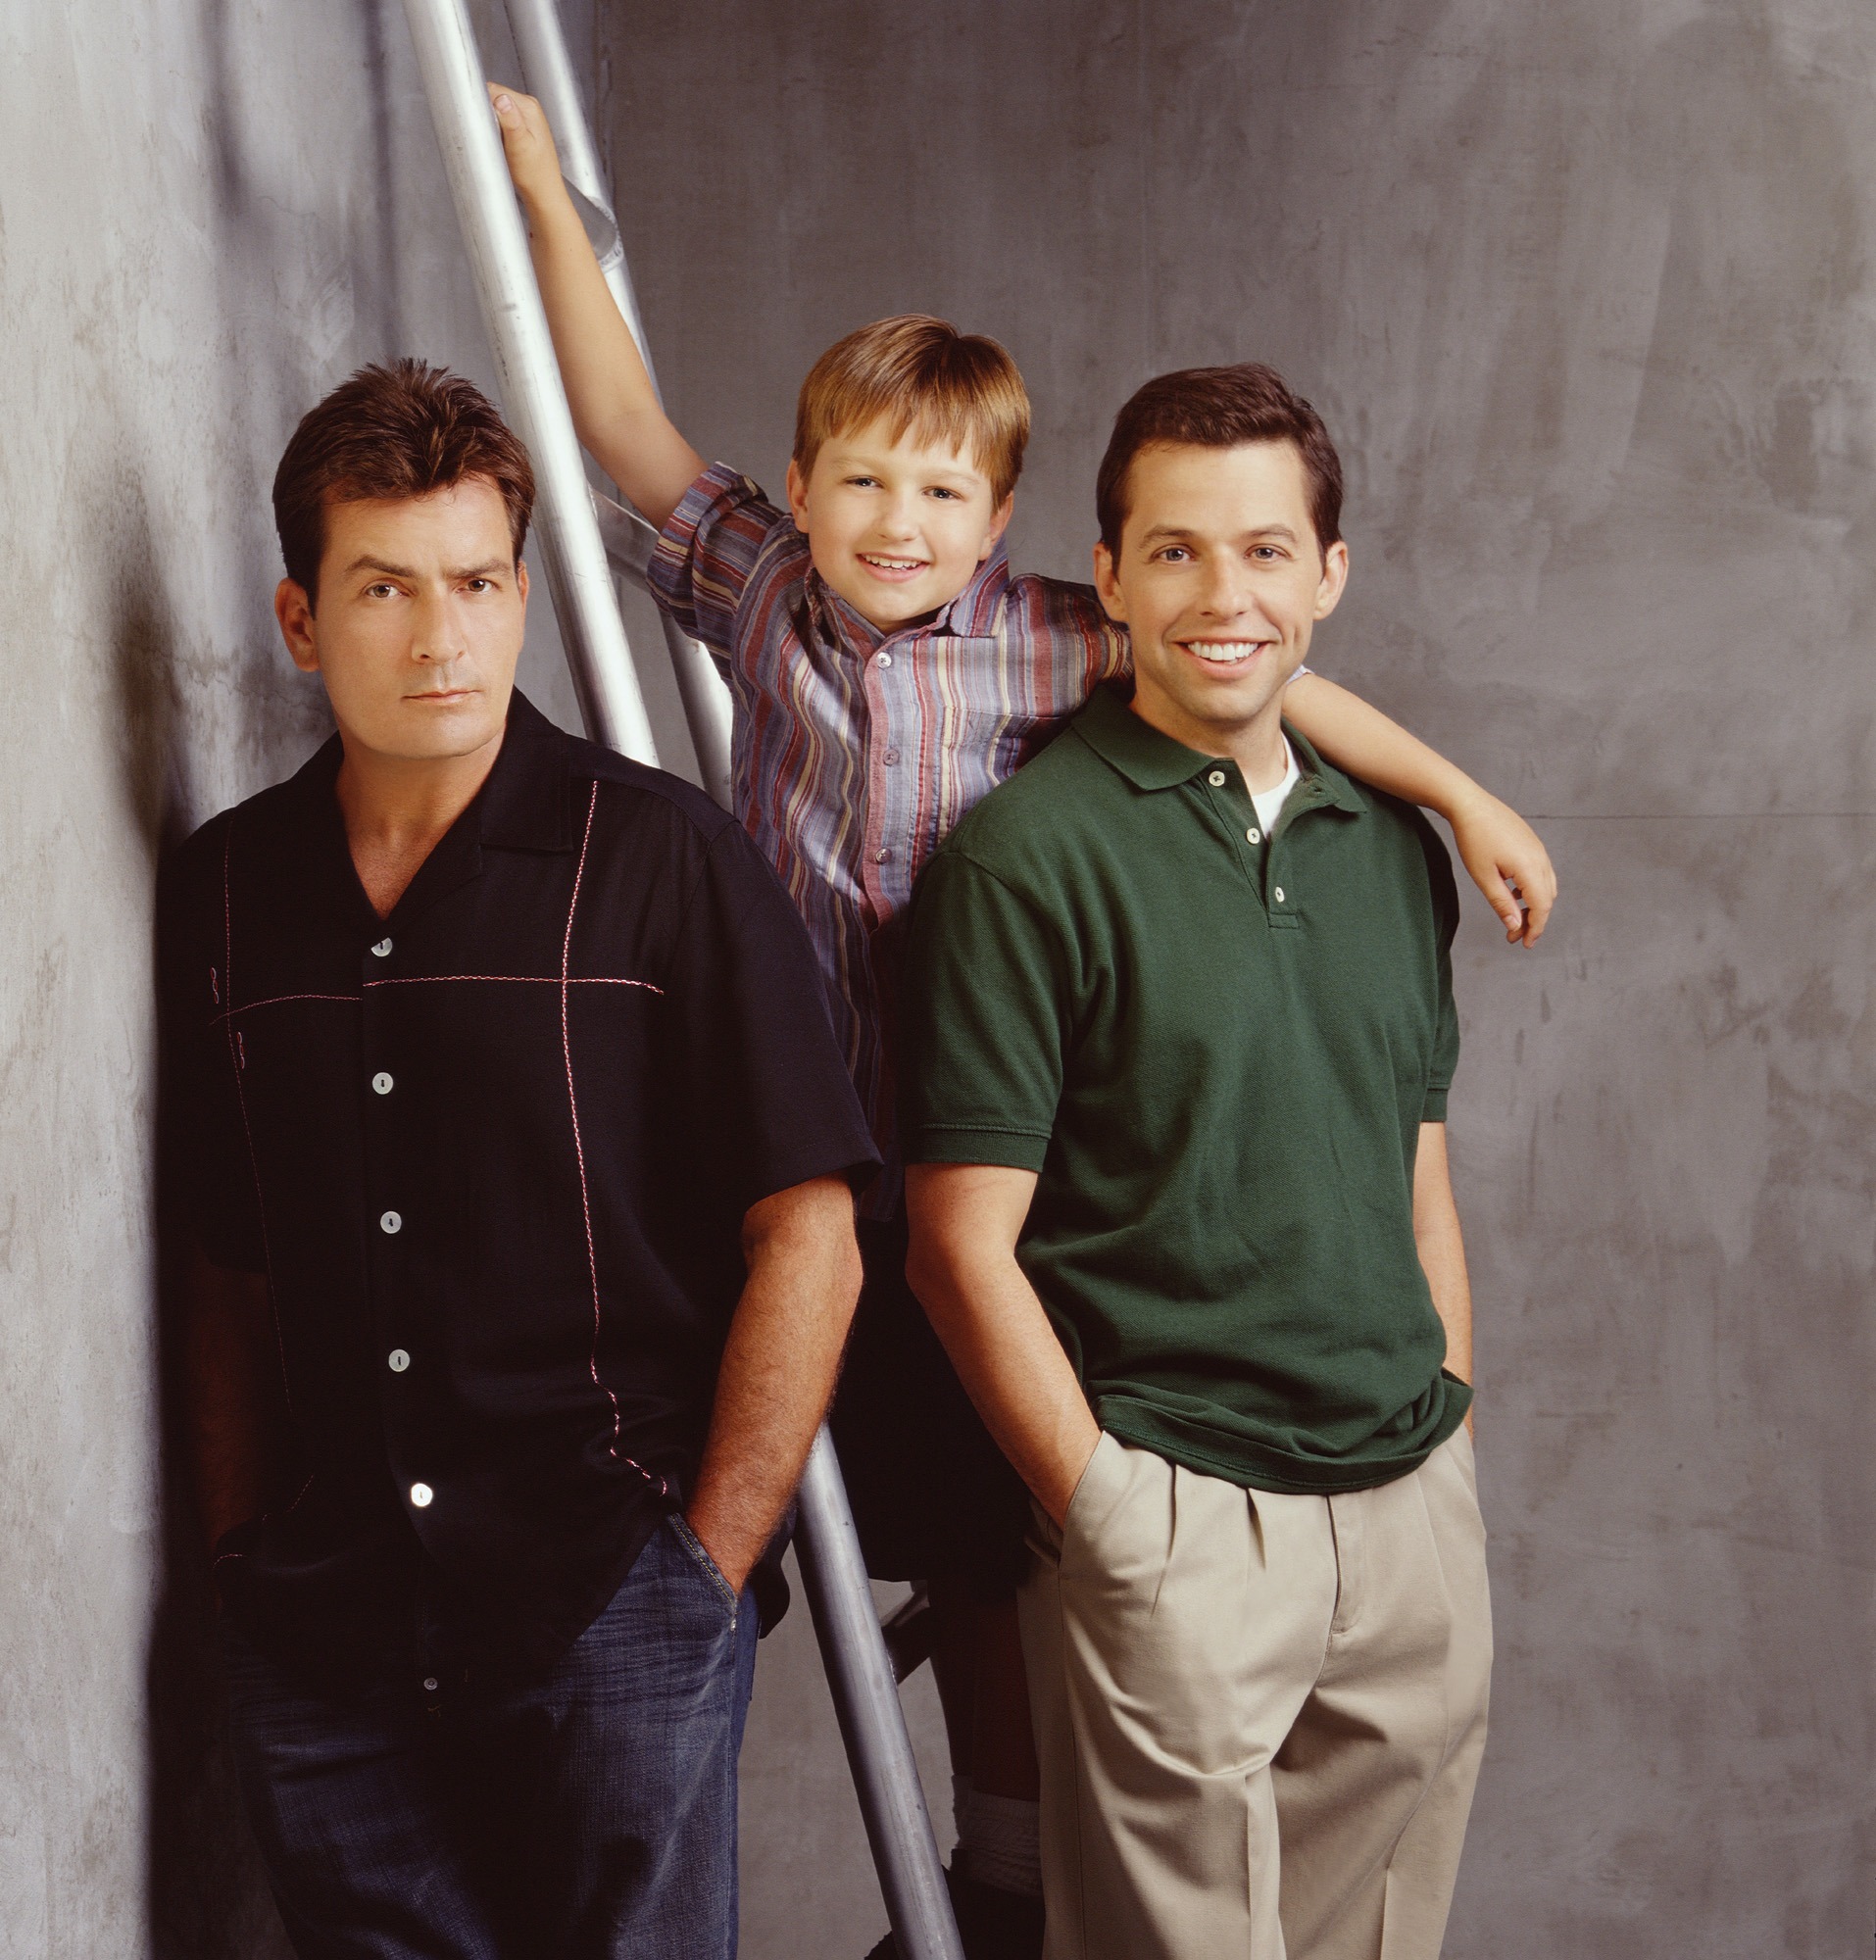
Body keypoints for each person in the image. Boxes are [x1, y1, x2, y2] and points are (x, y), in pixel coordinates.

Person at [488, 87, 1540, 1955]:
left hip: (984, 1129)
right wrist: (540, 204)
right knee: (732, 1468)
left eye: (943, 492)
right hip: (805, 1130)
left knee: (988, 1531)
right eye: (863, 484)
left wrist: (1462, 797)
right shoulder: (765, 601)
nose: (898, 525)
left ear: (1002, 521)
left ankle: (992, 1868)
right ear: (801, 492)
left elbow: (1277, 685)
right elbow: (627, 429)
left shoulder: (1060, 631)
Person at [159, 359, 877, 1958]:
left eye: (479, 583)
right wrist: (235, 1556)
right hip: (330, 1629)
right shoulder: (224, 892)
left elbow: (811, 1231)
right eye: (385, 589)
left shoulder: (666, 858)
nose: (442, 636)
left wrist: (703, 1570)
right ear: (300, 622)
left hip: (611, 1604)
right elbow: (226, 1258)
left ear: (520, 591)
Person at [899, 363, 1493, 1960]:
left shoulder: (1389, 850)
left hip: (1405, 1511)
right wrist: (1103, 1516)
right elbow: (957, 1243)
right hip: (1176, 1512)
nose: (1221, 595)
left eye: (1262, 551)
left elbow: (1414, 1170)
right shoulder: (1026, 861)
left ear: (1327, 575)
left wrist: (1446, 1428)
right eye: (1171, 552)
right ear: (1106, 577)